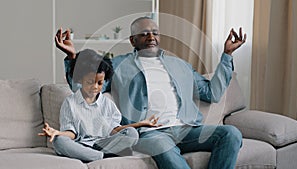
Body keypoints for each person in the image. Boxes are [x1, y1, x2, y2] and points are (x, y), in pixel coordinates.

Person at [55, 16, 246, 169]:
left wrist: (227, 55)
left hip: (187, 129)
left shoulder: (180, 65)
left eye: (155, 32)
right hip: (150, 133)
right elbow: (83, 89)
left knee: (231, 134)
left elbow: (213, 93)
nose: (151, 37)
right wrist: (72, 57)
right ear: (133, 40)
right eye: (144, 33)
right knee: (164, 147)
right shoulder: (119, 64)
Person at [38, 49, 160, 162]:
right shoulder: (70, 103)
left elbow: (114, 130)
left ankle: (92, 155)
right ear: (80, 80)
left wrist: (140, 124)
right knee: (59, 141)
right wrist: (57, 133)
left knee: (132, 133)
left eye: (100, 83)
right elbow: (72, 133)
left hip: (104, 143)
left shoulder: (107, 104)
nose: (95, 87)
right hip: (81, 145)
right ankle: (102, 156)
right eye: (90, 82)